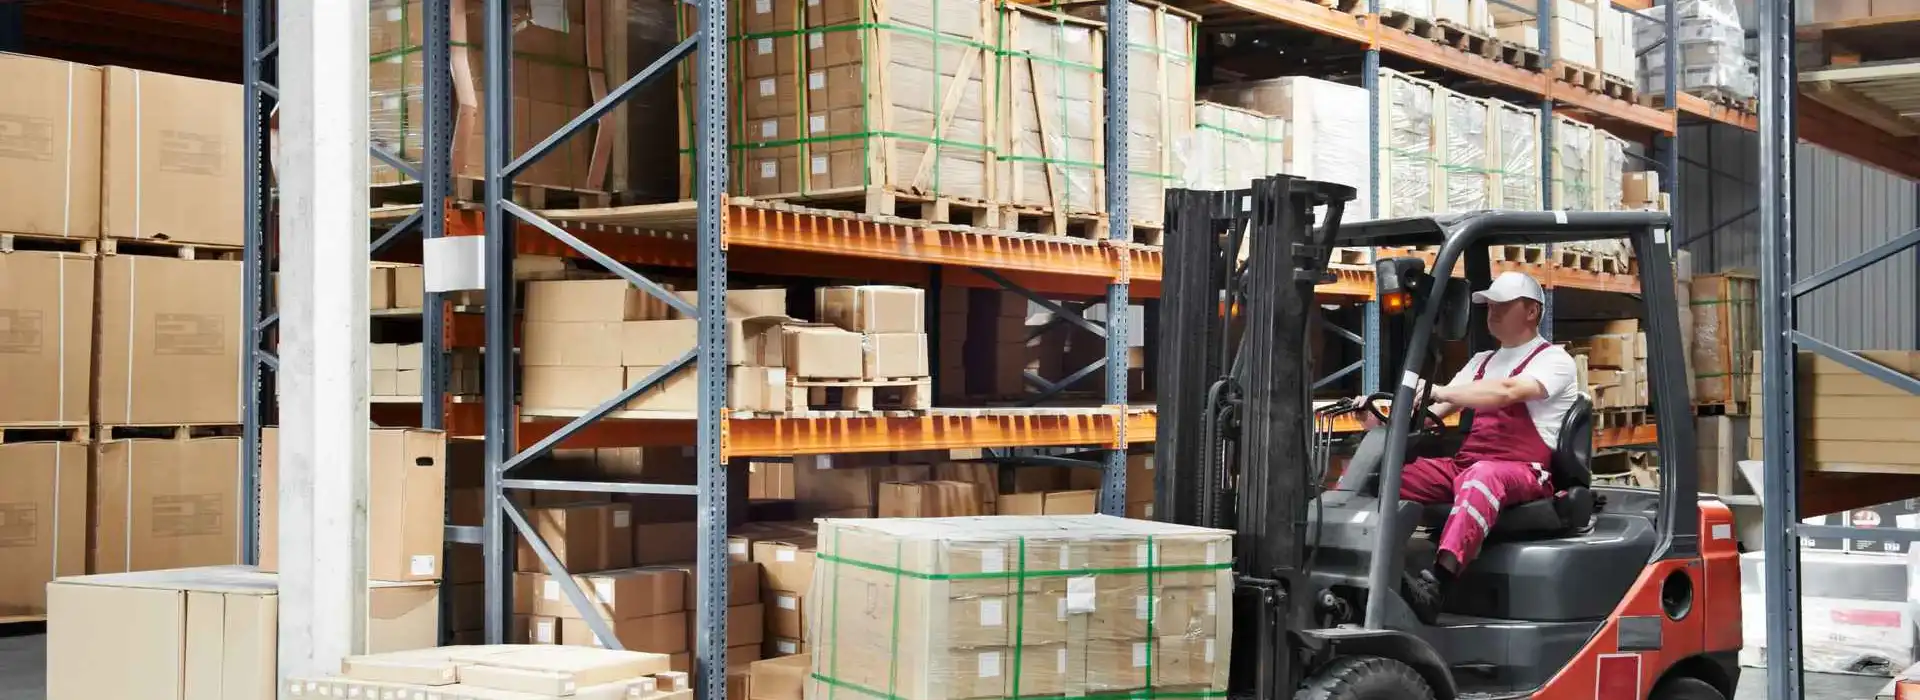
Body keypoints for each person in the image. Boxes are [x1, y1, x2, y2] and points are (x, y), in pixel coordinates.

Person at [1373, 271, 1581, 624]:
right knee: (1386, 475)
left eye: (1503, 305)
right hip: (1468, 465)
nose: (1492, 312)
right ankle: (1369, 566)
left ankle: (1439, 584)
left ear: (1532, 311)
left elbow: (1507, 392)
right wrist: (1381, 415)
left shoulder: (1554, 360)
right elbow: (1432, 412)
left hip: (1525, 470)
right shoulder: (1481, 361)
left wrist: (1439, 390)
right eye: (1489, 306)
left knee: (1481, 477)